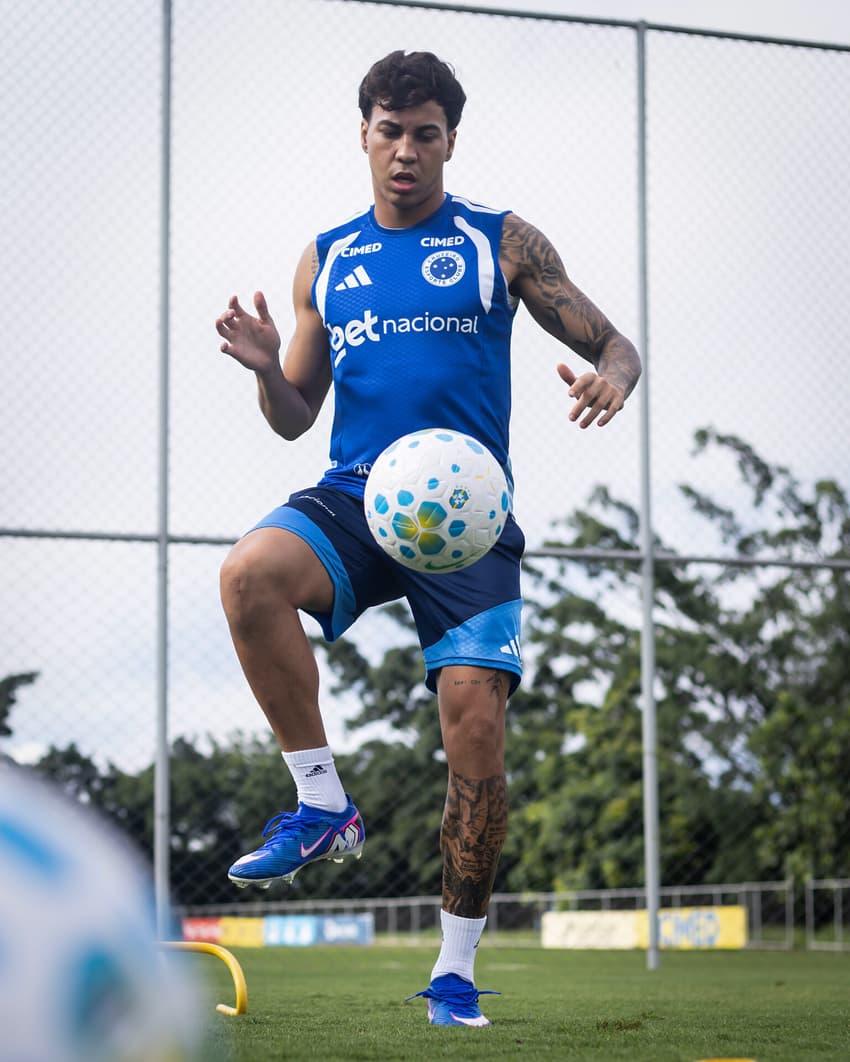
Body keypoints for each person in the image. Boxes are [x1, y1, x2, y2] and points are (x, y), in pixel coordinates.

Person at [214, 49, 641, 1027]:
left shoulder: (500, 242)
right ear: (362, 134)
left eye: (425, 134)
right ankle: (321, 803)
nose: (405, 151)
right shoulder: (327, 258)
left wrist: (615, 377)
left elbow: (611, 343)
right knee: (248, 577)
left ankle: (453, 971)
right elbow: (295, 412)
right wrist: (261, 368)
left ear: (449, 140)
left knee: (476, 731)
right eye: (388, 131)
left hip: (468, 516)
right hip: (361, 495)